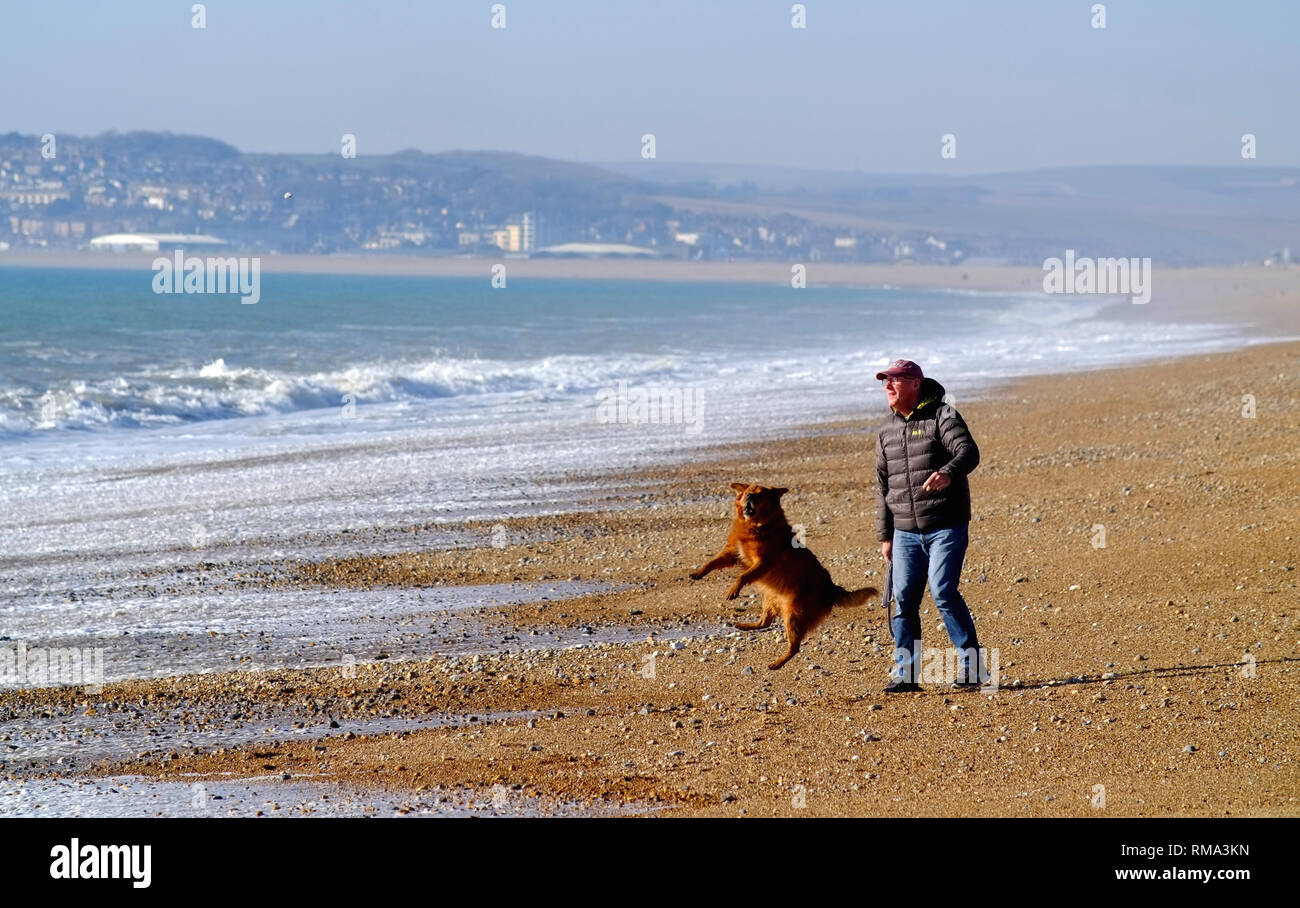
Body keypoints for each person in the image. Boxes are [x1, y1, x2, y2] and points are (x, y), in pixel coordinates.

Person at [874, 359, 985, 692]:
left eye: (894, 380)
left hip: (945, 525)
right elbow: (883, 488)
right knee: (904, 600)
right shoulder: (886, 429)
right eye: (884, 382)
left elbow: (969, 452)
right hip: (904, 532)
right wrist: (885, 535)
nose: (887, 387)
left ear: (915, 384)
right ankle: (906, 676)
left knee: (943, 591)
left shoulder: (943, 416)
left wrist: (948, 472)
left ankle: (974, 669)